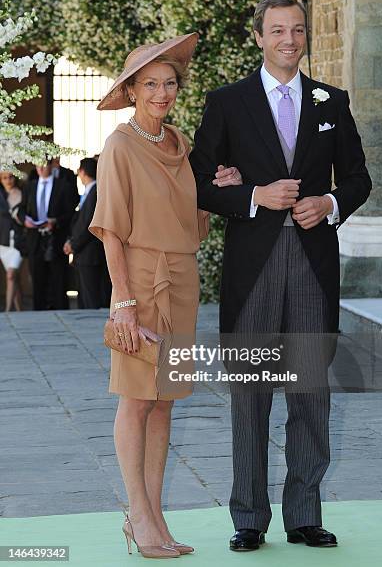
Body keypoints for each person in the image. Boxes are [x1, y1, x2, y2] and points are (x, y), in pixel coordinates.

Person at [190, 0, 372, 551]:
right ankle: (248, 517)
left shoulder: (331, 101)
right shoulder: (227, 102)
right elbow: (198, 182)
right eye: (277, 31)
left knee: (311, 394)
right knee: (250, 397)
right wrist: (254, 196)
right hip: (253, 271)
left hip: (314, 268)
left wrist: (330, 205)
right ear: (259, 37)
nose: (288, 40)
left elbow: (360, 178)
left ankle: (304, 514)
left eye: (296, 30)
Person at [89, 34, 242, 559]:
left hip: (182, 280)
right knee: (136, 399)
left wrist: (220, 184)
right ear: (132, 90)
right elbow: (110, 231)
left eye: (169, 83)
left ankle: (156, 516)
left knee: (164, 404)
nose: (161, 93)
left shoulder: (179, 143)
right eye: (150, 84)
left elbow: (194, 228)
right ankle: (138, 516)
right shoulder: (120, 145)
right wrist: (124, 303)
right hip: (138, 281)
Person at [19, 161, 76, 310]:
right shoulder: (30, 186)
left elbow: (70, 213)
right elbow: (21, 209)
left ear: (51, 166)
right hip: (35, 238)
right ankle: (39, 312)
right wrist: (25, 220)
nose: (41, 169)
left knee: (58, 278)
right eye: (38, 166)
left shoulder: (63, 186)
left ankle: (60, 311)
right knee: (37, 279)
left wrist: (55, 221)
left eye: (44, 165)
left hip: (56, 239)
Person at [64, 156, 111, 309]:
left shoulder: (96, 192)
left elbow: (90, 225)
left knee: (91, 297)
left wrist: (74, 244)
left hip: (90, 252)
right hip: (82, 253)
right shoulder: (89, 192)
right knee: (84, 297)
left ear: (82, 172)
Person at [0, 172, 24, 311]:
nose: (8, 180)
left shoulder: (22, 193)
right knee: (14, 278)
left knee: (10, 276)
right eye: (4, 178)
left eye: (10, 177)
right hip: (3, 243)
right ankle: (20, 311)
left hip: (18, 241)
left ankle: (8, 311)